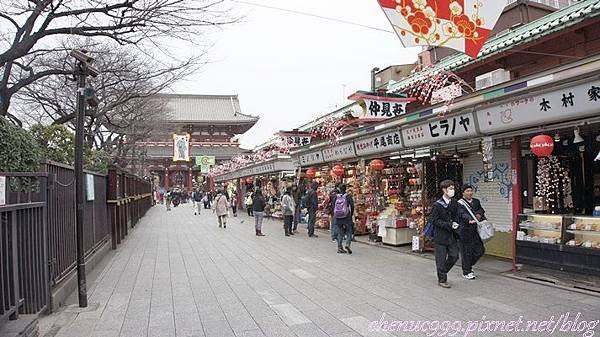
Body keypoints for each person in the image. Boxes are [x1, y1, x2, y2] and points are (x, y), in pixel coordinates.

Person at [429, 180, 460, 288]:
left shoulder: (455, 202)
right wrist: (449, 225)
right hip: (440, 236)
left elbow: (457, 215)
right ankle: (442, 279)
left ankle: (443, 271)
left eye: (453, 188)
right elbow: (434, 220)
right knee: (440, 260)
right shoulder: (437, 205)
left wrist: (456, 223)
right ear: (444, 190)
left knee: (454, 255)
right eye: (450, 189)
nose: (452, 191)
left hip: (452, 235)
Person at [457, 184, 486, 280]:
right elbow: (462, 214)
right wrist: (469, 219)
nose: (470, 193)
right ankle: (466, 271)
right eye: (467, 191)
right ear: (463, 193)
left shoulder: (476, 201)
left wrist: (478, 214)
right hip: (464, 231)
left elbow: (481, 210)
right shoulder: (459, 203)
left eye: (471, 191)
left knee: (480, 250)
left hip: (475, 230)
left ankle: (468, 264)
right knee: (466, 252)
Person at [333, 184, 354, 254]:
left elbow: (333, 206)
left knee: (340, 232)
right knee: (349, 231)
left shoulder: (336, 196)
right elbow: (352, 205)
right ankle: (347, 244)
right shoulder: (348, 196)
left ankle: (339, 247)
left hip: (338, 217)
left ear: (339, 189)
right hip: (346, 216)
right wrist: (351, 214)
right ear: (346, 189)